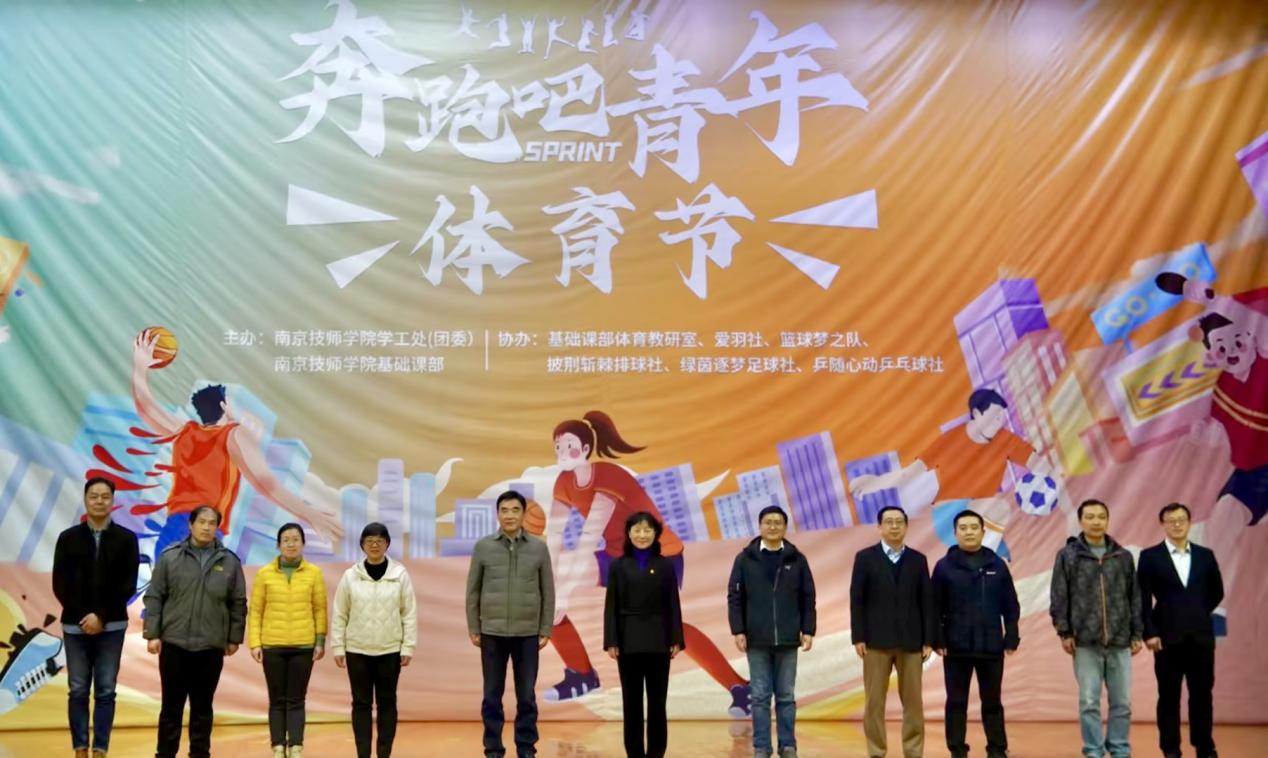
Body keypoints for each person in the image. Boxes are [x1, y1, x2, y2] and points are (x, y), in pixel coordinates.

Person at [543, 410, 749, 716]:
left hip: (658, 554)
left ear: (585, 448)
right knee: (542, 592)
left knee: (666, 628)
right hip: (616, 554)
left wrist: (565, 592)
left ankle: (740, 687)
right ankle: (581, 674)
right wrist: (551, 586)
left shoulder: (608, 476)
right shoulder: (564, 482)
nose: (562, 452)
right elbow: (555, 534)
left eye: (569, 445)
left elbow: (588, 537)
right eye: (558, 446)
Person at [132, 335, 342, 556]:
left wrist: (140, 366)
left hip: (175, 526)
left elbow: (147, 408)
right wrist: (309, 513)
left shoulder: (185, 432)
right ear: (224, 405)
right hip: (206, 528)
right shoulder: (234, 435)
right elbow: (267, 484)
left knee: (168, 579)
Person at [850, 388, 1059, 555]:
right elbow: (907, 475)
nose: (999, 423)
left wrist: (1048, 481)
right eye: (994, 417)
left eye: (1001, 418)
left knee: (1000, 549)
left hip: (984, 517)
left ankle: (982, 562)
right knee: (999, 506)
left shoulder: (1005, 439)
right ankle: (975, 562)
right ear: (976, 414)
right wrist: (872, 484)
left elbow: (1038, 464)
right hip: (949, 515)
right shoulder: (950, 441)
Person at [143, 505, 247, 758]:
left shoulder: (230, 562)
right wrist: (152, 634)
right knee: (171, 707)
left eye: (212, 523)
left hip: (210, 647)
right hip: (174, 644)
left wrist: (234, 638)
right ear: (190, 525)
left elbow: (238, 602)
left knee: (202, 708)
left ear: (217, 528)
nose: (206, 527)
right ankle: (165, 754)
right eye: (202, 522)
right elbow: (155, 596)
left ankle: (200, 754)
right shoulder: (170, 557)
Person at [52, 476, 140, 758]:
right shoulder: (68, 538)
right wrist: (85, 616)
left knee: (105, 690)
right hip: (75, 626)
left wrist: (100, 616)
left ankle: (100, 749)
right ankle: (80, 748)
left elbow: (128, 584)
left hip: (112, 626)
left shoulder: (127, 539)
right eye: (94, 496)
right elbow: (60, 583)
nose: (99, 501)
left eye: (105, 496)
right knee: (78, 689)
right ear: (85, 500)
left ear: (113, 501)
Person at [1050, 499, 1144, 758]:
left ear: (1107, 520)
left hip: (1120, 641)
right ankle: (1093, 750)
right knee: (1089, 702)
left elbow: (1134, 596)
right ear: (1081, 521)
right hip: (1085, 641)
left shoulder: (1122, 556)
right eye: (1090, 517)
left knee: (1122, 702)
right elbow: (1059, 596)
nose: (1096, 521)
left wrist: (1137, 633)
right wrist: (1064, 632)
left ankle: (1119, 748)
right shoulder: (1068, 556)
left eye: (1101, 516)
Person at [467, 491, 555, 758]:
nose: (509, 515)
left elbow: (548, 591)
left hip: (527, 634)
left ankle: (526, 748)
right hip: (492, 633)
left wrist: (545, 628)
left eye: (515, 510)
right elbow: (473, 590)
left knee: (526, 696)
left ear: (523, 514)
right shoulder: (483, 547)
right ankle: (493, 748)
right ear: (497, 514)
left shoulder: (538, 548)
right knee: (491, 696)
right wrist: (474, 626)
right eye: (504, 510)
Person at [727, 505, 816, 758]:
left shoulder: (797, 559)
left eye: (778, 522)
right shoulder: (745, 559)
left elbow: (808, 597)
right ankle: (761, 747)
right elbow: (734, 597)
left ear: (785, 527)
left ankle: (788, 746)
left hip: (788, 639)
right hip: (756, 639)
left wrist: (808, 629)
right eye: (768, 522)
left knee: (786, 696)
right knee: (759, 697)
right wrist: (738, 630)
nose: (773, 527)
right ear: (760, 526)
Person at [1138, 502, 1224, 758]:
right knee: (1168, 697)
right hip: (1166, 639)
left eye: (1181, 520)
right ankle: (1170, 748)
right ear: (1163, 524)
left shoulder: (1205, 555)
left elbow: (1217, 592)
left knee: (1202, 696)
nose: (1177, 524)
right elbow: (1142, 599)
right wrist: (1149, 632)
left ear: (1189, 522)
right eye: (1171, 520)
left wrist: (1195, 611)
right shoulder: (1150, 556)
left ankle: (1204, 746)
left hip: (1201, 638)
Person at [849, 506, 935, 758]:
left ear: (906, 526)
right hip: (875, 642)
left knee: (914, 703)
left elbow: (926, 601)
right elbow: (857, 600)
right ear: (879, 527)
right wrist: (858, 636)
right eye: (889, 522)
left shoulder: (918, 560)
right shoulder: (864, 558)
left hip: (912, 642)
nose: (894, 526)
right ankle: (877, 751)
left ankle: (913, 751)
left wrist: (928, 639)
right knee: (874, 703)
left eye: (899, 522)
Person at [933, 509, 1019, 758]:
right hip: (955, 646)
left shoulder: (997, 565)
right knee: (956, 702)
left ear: (983, 531)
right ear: (955, 533)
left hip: (991, 646)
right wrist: (937, 638)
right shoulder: (944, 567)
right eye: (963, 528)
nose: (969, 532)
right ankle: (957, 750)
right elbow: (934, 607)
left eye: (974, 527)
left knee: (992, 701)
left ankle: (997, 749)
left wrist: (1011, 635)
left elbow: (1010, 605)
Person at [330, 523, 417, 758]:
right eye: (369, 541)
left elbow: (408, 613)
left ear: (387, 544)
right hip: (357, 650)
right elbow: (340, 613)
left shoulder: (399, 575)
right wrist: (338, 646)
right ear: (362, 545)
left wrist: (408, 646)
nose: (375, 545)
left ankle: (384, 753)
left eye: (379, 540)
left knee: (387, 703)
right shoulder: (350, 576)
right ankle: (363, 754)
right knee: (361, 704)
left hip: (390, 650)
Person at [603, 512, 684, 758]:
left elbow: (673, 603)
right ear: (628, 533)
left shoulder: (665, 565)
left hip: (659, 640)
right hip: (628, 641)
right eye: (637, 530)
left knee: (658, 703)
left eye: (647, 530)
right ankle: (635, 754)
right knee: (632, 703)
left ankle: (656, 753)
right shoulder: (617, 565)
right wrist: (611, 640)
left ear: (655, 533)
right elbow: (611, 605)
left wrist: (676, 638)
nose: (642, 535)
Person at [249, 523, 329, 758]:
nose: (291, 544)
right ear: (278, 545)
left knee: (296, 699)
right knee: (276, 700)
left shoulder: (314, 573)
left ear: (303, 544)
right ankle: (277, 746)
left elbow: (320, 609)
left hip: (303, 645)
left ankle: (295, 746)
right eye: (286, 540)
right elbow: (255, 611)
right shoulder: (264, 574)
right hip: (272, 645)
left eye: (295, 539)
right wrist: (255, 643)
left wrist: (320, 641)